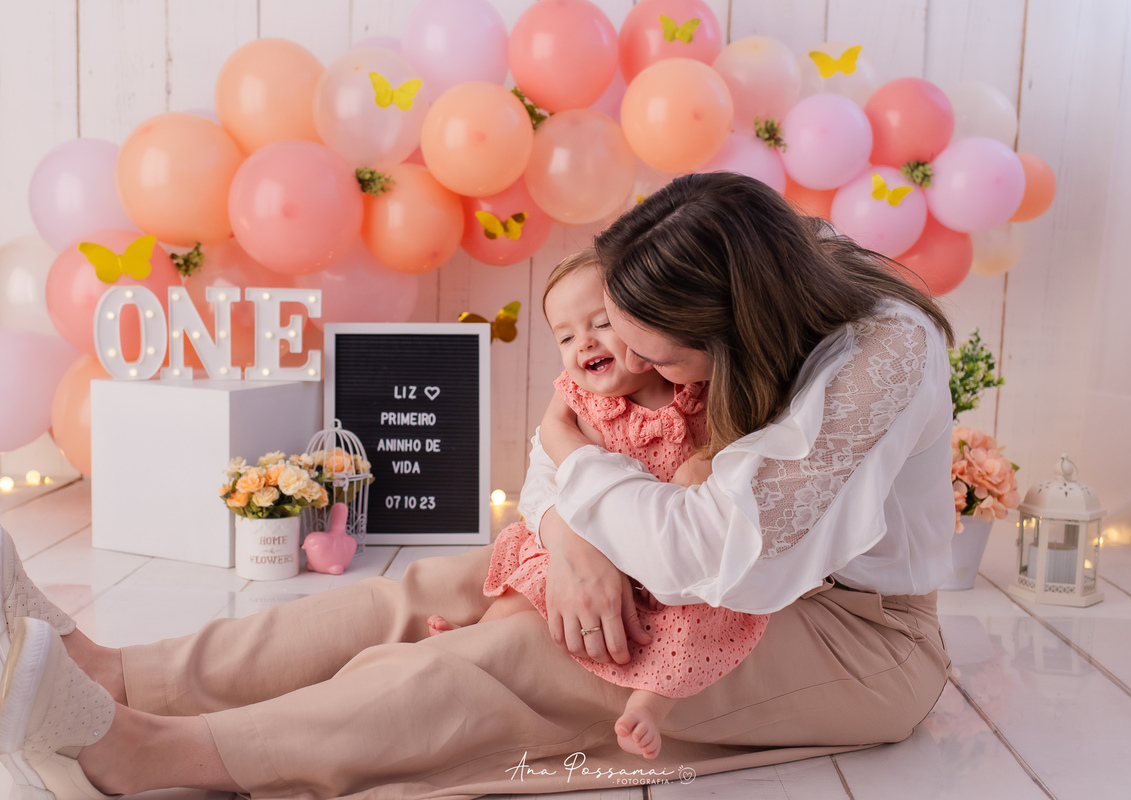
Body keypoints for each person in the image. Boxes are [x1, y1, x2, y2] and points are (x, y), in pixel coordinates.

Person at [0, 172, 956, 800]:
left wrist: (574, 473)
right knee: (437, 587)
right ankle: (120, 673)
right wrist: (572, 539)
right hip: (686, 564)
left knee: (523, 661)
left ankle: (155, 759)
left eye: (641, 343)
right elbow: (571, 452)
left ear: (721, 330)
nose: (613, 353)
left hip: (845, 631)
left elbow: (724, 554)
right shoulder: (744, 284)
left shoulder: (880, 353)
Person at [427, 248, 769, 760]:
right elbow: (551, 475)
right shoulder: (577, 400)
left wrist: (706, 459)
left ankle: (649, 705)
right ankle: (474, 641)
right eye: (565, 337)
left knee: (702, 616)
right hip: (597, 537)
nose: (582, 342)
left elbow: (734, 444)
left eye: (601, 324)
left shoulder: (697, 387)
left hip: (671, 554)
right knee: (535, 577)